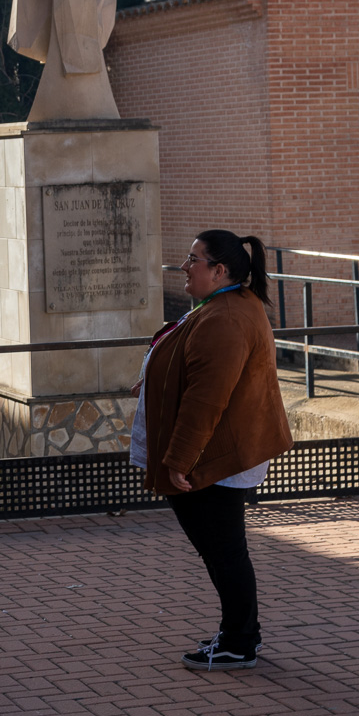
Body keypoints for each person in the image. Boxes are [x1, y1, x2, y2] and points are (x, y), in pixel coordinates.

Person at [134, 230, 293, 672]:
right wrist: (154, 381)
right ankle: (239, 634)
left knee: (223, 550)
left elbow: (209, 399)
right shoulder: (228, 305)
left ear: (219, 270)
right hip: (221, 452)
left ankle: (240, 642)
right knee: (223, 549)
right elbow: (195, 368)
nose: (185, 267)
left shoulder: (225, 318)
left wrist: (179, 461)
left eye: (193, 259)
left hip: (215, 457)